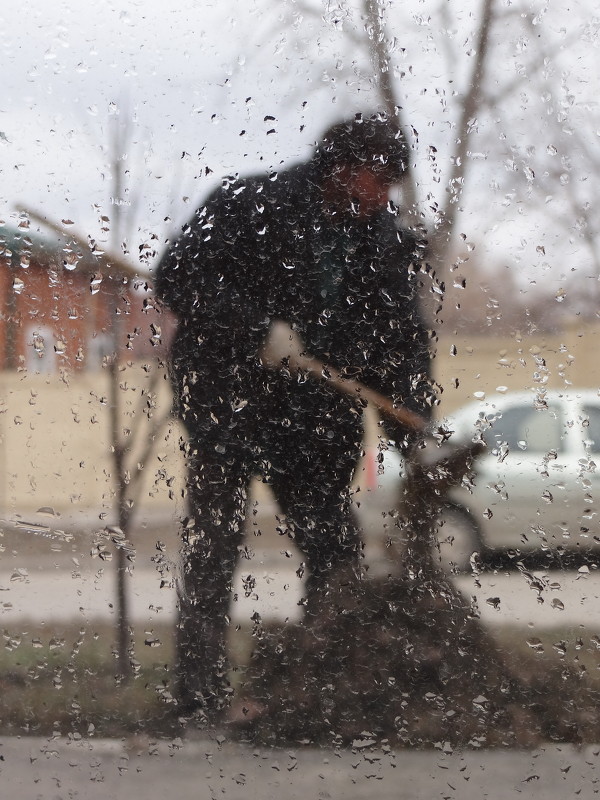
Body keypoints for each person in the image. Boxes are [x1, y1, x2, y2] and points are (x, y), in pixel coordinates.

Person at [154, 112, 433, 723]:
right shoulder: (249, 205)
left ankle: (316, 685)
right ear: (341, 166)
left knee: (334, 548)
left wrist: (417, 427)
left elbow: (401, 345)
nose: (381, 195)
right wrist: (257, 330)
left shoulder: (387, 245)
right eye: (374, 178)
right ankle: (198, 700)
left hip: (315, 422)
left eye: (390, 183)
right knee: (214, 547)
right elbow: (176, 275)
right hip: (228, 406)